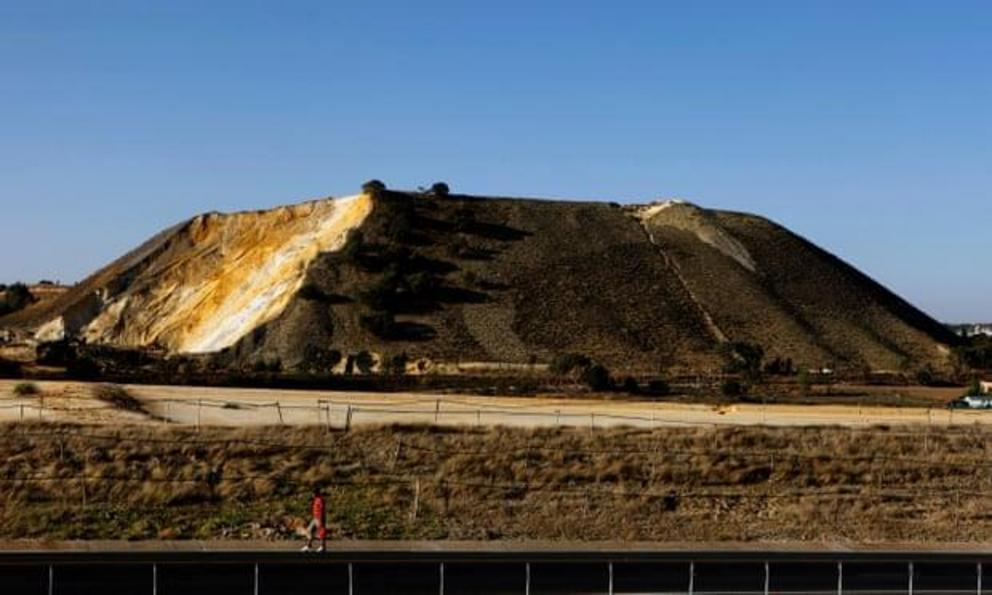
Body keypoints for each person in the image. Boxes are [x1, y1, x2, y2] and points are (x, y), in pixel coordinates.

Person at [301, 486, 327, 552]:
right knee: (309, 531)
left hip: (319, 518)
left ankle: (322, 547)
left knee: (321, 532)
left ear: (317, 493)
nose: (312, 494)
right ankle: (309, 546)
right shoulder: (316, 499)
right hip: (315, 518)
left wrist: (321, 519)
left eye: (314, 493)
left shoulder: (320, 500)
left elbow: (321, 509)